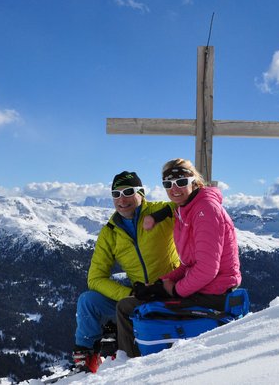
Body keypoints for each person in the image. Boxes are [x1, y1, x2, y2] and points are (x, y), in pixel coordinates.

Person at [73, 171, 180, 372]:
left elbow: (196, 202)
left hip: (170, 289)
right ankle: (87, 361)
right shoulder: (110, 232)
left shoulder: (162, 213)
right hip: (138, 295)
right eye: (116, 194)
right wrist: (129, 294)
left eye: (128, 192)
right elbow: (95, 278)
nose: (121, 199)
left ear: (141, 193)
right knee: (87, 301)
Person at [143, 158, 242, 319]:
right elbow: (189, 264)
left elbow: (207, 270)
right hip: (203, 287)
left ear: (193, 181)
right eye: (168, 184)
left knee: (134, 309)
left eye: (181, 182)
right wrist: (161, 283)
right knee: (140, 302)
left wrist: (175, 290)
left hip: (215, 293)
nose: (174, 189)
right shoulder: (184, 209)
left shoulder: (206, 210)